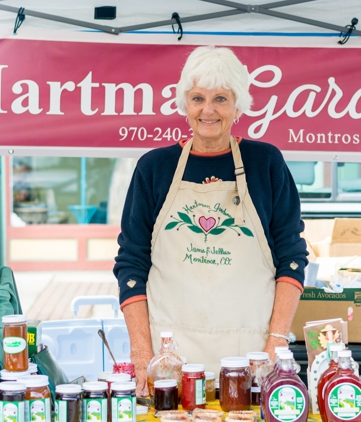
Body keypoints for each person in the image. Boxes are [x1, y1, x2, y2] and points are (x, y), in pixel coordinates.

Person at [113, 45, 308, 397]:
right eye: (198, 98)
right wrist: (142, 353)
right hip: (170, 358)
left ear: (238, 105)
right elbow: (131, 264)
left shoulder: (266, 164)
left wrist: (276, 342)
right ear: (184, 104)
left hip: (249, 355)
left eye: (220, 98)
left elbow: (292, 259)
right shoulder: (154, 168)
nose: (207, 110)